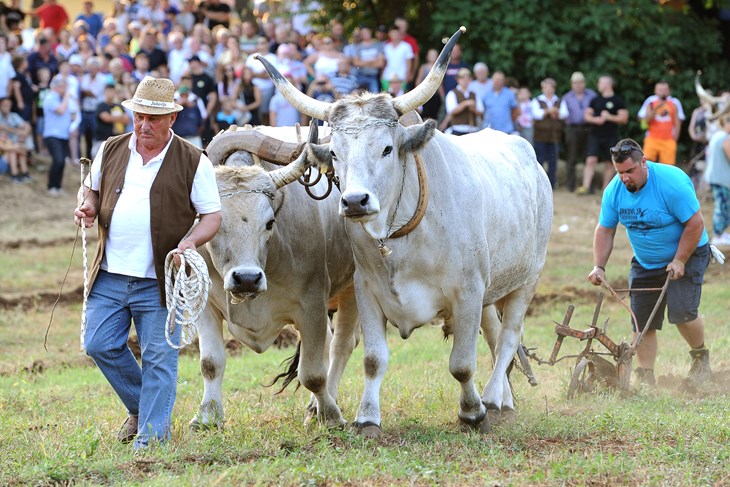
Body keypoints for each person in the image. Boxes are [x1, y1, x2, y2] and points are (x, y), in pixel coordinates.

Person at [73, 76, 222, 451]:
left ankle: (151, 441)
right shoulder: (112, 148)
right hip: (109, 272)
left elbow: (212, 216)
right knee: (98, 344)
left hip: (160, 278)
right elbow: (90, 187)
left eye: (153, 119)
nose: (144, 126)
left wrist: (189, 242)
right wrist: (88, 204)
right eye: (139, 117)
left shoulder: (193, 160)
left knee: (159, 357)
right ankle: (146, 408)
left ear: (171, 118)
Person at [588, 138, 712, 388]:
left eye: (630, 171)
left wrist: (679, 260)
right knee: (641, 321)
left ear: (643, 162)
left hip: (688, 252)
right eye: (620, 172)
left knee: (682, 312)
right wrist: (599, 266)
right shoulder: (614, 191)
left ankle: (700, 358)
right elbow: (605, 230)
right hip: (646, 262)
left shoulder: (671, 183)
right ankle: (646, 377)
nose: (625, 178)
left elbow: (695, 223)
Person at [579, 75, 628, 194]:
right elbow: (586, 115)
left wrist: (609, 117)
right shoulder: (595, 100)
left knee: (609, 162)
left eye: (600, 82)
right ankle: (585, 187)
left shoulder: (618, 100)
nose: (598, 85)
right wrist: (595, 120)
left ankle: (605, 189)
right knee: (590, 160)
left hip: (611, 135)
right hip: (595, 135)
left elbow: (624, 118)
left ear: (607, 84)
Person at [561, 72, 596, 192]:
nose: (578, 85)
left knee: (590, 156)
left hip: (589, 128)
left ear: (584, 83)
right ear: (572, 84)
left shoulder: (592, 95)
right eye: (575, 83)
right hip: (573, 129)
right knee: (572, 157)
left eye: (580, 82)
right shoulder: (567, 97)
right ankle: (571, 185)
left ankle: (589, 185)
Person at [637, 81, 685, 166]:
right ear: (655, 90)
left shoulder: (674, 102)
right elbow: (645, 119)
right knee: (646, 164)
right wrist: (656, 108)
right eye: (660, 89)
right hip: (652, 138)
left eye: (665, 89)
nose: (662, 91)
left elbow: (678, 121)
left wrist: (675, 138)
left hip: (668, 139)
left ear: (669, 91)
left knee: (668, 166)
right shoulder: (651, 101)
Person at [531, 77, 567, 189]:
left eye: (550, 87)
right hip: (540, 135)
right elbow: (535, 114)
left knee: (553, 160)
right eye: (546, 87)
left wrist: (554, 112)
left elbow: (565, 114)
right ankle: (539, 184)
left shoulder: (559, 100)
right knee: (540, 159)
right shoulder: (537, 100)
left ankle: (552, 183)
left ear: (554, 88)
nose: (548, 90)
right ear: (542, 88)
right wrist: (549, 111)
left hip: (555, 136)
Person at [44, 76, 73, 196]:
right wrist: (66, 97)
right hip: (52, 134)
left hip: (63, 135)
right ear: (56, 87)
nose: (65, 90)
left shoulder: (61, 99)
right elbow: (60, 110)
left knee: (61, 162)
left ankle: (58, 186)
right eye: (63, 87)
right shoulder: (50, 97)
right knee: (58, 160)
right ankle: (51, 186)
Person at [704, 112, 730, 246]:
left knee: (722, 206)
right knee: (723, 207)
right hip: (722, 178)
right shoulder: (725, 138)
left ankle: (720, 233)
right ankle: (718, 235)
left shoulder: (717, 135)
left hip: (715, 176)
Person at [442, 67, 483, 136]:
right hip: (458, 129)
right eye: (462, 78)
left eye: (467, 78)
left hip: (473, 130)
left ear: (470, 80)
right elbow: (451, 111)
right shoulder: (452, 93)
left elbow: (481, 111)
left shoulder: (474, 94)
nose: (465, 80)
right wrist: (465, 104)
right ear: (458, 79)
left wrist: (474, 110)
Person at [0, 96, 31, 182]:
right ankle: (15, 175)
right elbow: (5, 148)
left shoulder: (13, 116)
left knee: (16, 148)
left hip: (8, 155)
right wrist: (19, 147)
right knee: (14, 149)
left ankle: (24, 174)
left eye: (8, 105)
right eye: (4, 105)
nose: (6, 107)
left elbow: (26, 126)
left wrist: (22, 134)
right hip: (2, 163)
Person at [350, 25, 384, 94]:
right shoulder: (358, 47)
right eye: (363, 33)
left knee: (375, 96)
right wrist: (373, 61)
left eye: (367, 32)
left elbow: (380, 63)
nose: (365, 34)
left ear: (370, 32)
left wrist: (363, 62)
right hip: (360, 75)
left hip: (373, 76)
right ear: (361, 35)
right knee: (355, 94)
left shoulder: (378, 45)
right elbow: (356, 63)